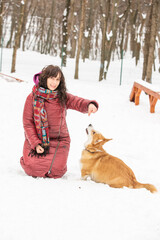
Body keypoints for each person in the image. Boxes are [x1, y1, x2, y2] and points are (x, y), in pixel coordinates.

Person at [20, 65, 98, 178]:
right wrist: (36, 144)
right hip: (37, 140)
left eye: (57, 79)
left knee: (57, 172)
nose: (54, 82)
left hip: (60, 141)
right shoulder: (32, 97)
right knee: (32, 169)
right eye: (52, 78)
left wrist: (89, 104)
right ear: (45, 78)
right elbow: (27, 123)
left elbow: (77, 102)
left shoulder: (61, 96)